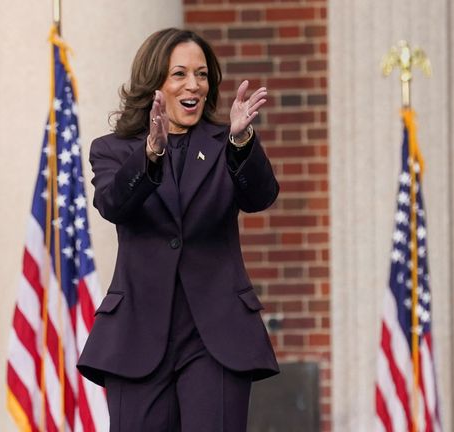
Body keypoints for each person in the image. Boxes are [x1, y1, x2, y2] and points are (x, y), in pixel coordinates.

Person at [77, 27, 279, 432]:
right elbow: (113, 204)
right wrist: (150, 154)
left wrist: (242, 143)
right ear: (155, 85)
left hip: (216, 337)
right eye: (180, 74)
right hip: (137, 336)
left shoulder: (228, 142)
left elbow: (260, 197)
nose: (194, 85)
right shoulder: (113, 149)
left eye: (202, 75)